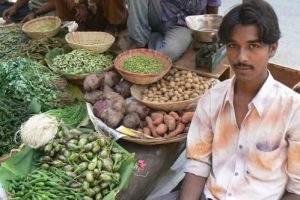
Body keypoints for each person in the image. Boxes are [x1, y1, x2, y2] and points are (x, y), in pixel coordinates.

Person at [179, 0, 300, 200]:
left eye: (253, 46)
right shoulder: (211, 99)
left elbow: (296, 189)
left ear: (272, 49)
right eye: (234, 45)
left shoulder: (293, 110)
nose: (241, 57)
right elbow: (197, 164)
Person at [124, 0, 221, 61]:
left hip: (183, 26)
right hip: (159, 13)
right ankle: (140, 43)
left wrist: (207, 36)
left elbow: (212, 13)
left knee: (167, 54)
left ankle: (150, 36)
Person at [54, 0, 127, 33]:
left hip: (104, 17)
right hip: (87, 16)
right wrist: (78, 4)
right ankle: (74, 27)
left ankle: (112, 25)